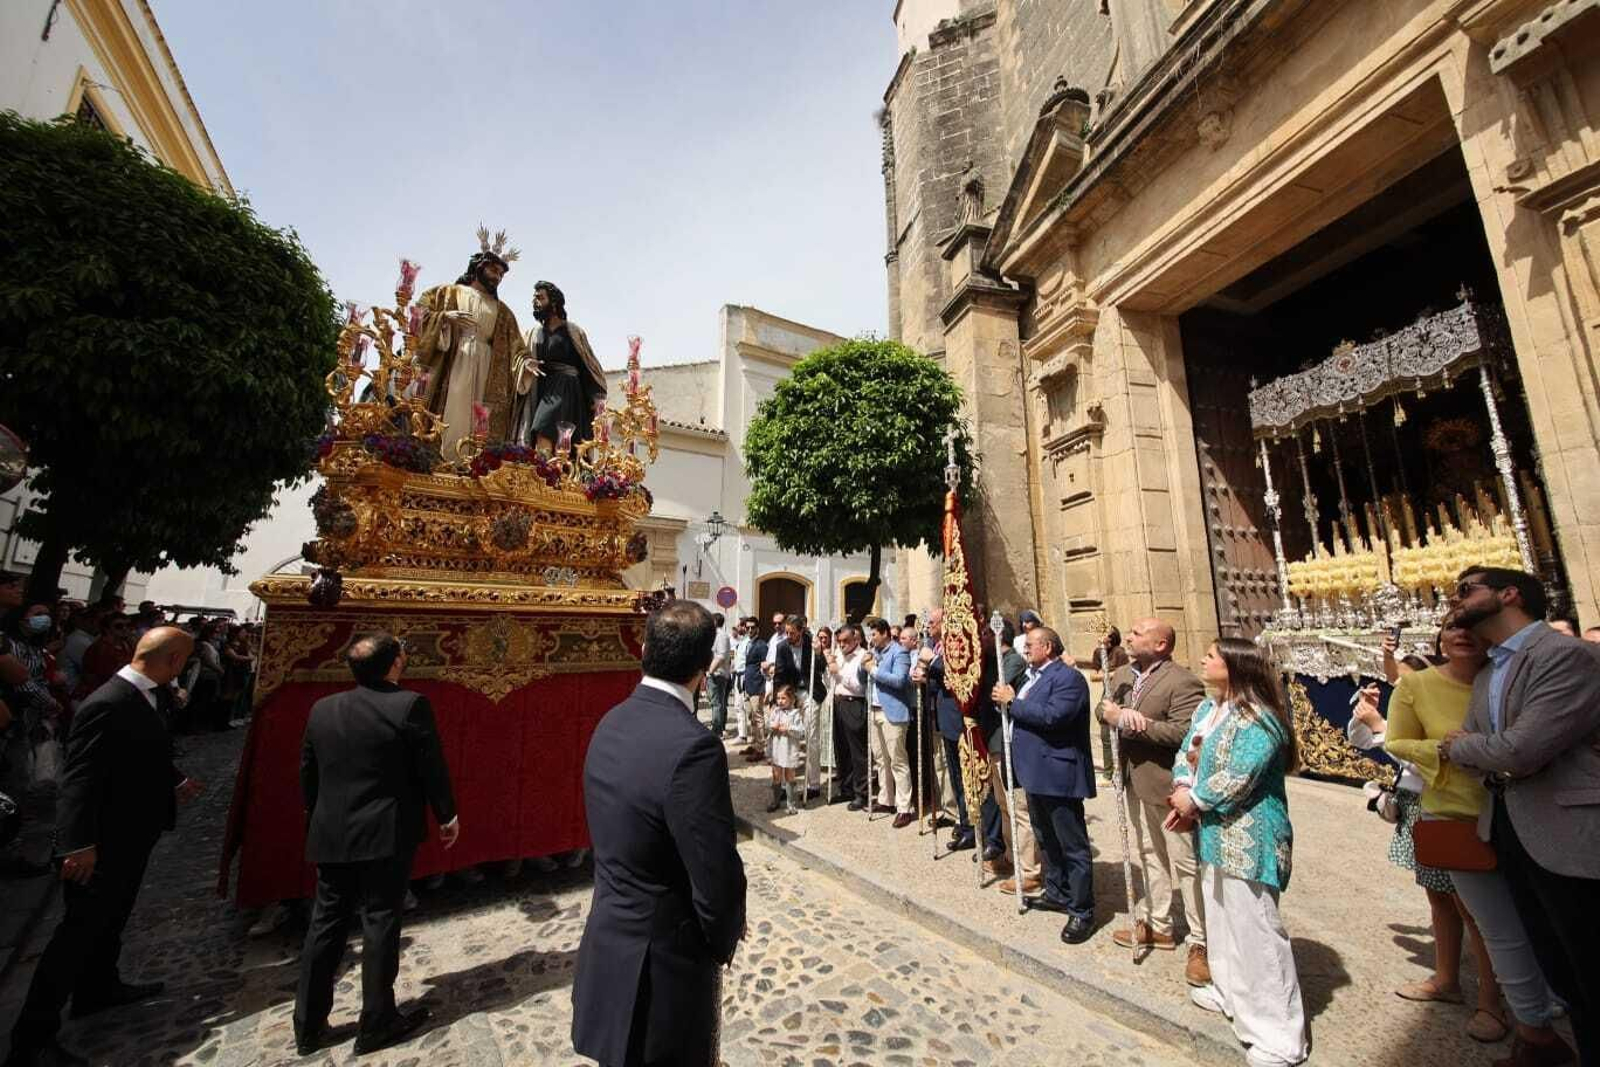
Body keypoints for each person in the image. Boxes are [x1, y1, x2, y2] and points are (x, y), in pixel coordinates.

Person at [7, 628, 203, 1067]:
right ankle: (31, 1040)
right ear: (172, 660)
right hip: (101, 839)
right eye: (182, 660)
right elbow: (78, 780)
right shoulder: (108, 702)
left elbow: (142, 751)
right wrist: (77, 845)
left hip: (132, 830)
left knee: (113, 916)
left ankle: (97, 987)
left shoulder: (145, 697)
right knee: (76, 933)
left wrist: (175, 780)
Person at [572, 601, 747, 1067]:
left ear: (643, 649)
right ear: (705, 667)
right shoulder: (694, 747)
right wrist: (723, 936)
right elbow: (715, 873)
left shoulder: (611, 720)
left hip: (609, 942)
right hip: (660, 969)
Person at [1384, 620, 1567, 1057]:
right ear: (1439, 638)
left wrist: (1480, 748)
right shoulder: (1418, 685)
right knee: (1472, 915)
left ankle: (1531, 1004)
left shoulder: (1509, 677)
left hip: (1528, 810)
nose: (1461, 633)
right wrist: (1447, 751)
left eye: (1470, 626)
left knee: (1527, 916)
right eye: (1450, 627)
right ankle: (1494, 1005)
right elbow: (1398, 741)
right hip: (1454, 811)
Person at [1443, 567, 1600, 1066]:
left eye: (1467, 591)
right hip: (1509, 829)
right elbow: (1469, 747)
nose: (1456, 600)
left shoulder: (1566, 656)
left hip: (1567, 835)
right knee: (1559, 965)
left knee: (1590, 966)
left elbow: (1522, 749)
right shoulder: (1490, 670)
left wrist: (1472, 747)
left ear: (1509, 594)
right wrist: (1474, 748)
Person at [294, 633, 458, 1058]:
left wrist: (319, 816)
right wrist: (446, 814)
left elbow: (308, 772)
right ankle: (376, 1022)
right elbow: (431, 767)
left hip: (331, 831)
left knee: (325, 924)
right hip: (385, 832)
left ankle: (308, 1024)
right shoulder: (408, 705)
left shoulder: (322, 709)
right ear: (395, 664)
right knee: (381, 920)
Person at [1170, 638, 1306, 1067]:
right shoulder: (1208, 709)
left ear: (1235, 667)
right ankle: (1231, 994)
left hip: (1251, 836)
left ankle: (1279, 1034)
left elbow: (1239, 774)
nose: (1204, 660)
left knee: (1257, 931)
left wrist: (1195, 801)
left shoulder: (1260, 720)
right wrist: (1181, 786)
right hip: (1214, 833)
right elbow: (1186, 751)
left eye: (1212, 656)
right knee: (1221, 918)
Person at [1097, 618, 1210, 985]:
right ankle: (1159, 924)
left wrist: (1132, 723)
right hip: (1134, 779)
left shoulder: (1183, 681)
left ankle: (1202, 941)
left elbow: (1183, 732)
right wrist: (1109, 714)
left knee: (1186, 863)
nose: (1129, 637)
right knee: (1149, 854)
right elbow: (1104, 709)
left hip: (1167, 785)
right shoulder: (1123, 676)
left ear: (1161, 644)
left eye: (1137, 633)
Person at [992, 625, 1096, 942]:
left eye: (1032, 645)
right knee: (1046, 837)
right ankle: (1056, 890)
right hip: (1034, 771)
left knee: (1071, 843)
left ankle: (1081, 910)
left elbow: (1054, 716)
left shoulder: (1068, 679)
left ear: (1048, 647)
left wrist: (1012, 702)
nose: (1026, 650)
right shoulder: (1034, 678)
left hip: (1057, 773)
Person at [413, 229, 533, 455]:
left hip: (488, 368)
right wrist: (444, 318)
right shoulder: (448, 293)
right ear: (479, 267)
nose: (497, 276)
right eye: (493, 270)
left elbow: (516, 345)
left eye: (500, 273)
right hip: (455, 359)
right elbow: (420, 312)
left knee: (480, 419)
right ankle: (446, 461)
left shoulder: (503, 311)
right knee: (454, 411)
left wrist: (525, 363)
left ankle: (474, 466)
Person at [513, 280, 608, 453]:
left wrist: (596, 396)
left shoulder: (572, 331)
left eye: (540, 298)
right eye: (534, 298)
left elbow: (589, 365)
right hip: (542, 388)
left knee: (545, 427)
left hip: (567, 388)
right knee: (542, 432)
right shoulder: (534, 333)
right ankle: (546, 473)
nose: (535, 302)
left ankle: (548, 472)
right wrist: (526, 363)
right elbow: (520, 356)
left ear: (554, 302)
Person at [918, 608, 975, 851]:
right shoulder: (936, 644)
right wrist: (923, 678)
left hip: (958, 718)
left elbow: (957, 672)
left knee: (965, 776)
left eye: (931, 622)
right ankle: (963, 821)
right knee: (954, 775)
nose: (928, 626)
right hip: (942, 717)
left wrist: (933, 661)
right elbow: (939, 681)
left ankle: (972, 826)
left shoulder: (954, 644)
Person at [861, 617, 915, 827]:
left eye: (874, 634)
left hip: (892, 712)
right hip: (874, 710)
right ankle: (886, 798)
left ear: (884, 633)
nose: (871, 639)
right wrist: (863, 664)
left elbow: (899, 680)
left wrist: (874, 670)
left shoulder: (899, 652)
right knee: (880, 759)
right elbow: (862, 677)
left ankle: (904, 807)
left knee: (897, 761)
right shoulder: (874, 653)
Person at [771, 615, 819, 799]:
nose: (788, 635)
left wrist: (819, 653)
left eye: (792, 632)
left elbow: (820, 667)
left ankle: (813, 784)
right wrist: (778, 700)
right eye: (787, 632)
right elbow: (779, 674)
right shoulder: (781, 647)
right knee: (787, 739)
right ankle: (784, 786)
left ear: (801, 631)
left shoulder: (812, 643)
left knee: (811, 737)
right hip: (791, 695)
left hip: (810, 692)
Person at [827, 624, 871, 811]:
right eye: (840, 641)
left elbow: (858, 686)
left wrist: (837, 671)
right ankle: (845, 788)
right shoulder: (838, 654)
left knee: (857, 751)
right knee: (841, 748)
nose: (842, 645)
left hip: (854, 702)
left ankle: (861, 792)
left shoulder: (863, 656)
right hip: (838, 702)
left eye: (846, 641)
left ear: (856, 639)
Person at [767, 684, 805, 814]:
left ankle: (791, 803)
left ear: (791, 699)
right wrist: (773, 726)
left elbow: (801, 731)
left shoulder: (795, 714)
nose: (780, 701)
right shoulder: (775, 712)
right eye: (778, 698)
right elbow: (768, 725)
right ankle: (775, 800)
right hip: (777, 749)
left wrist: (788, 729)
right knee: (776, 774)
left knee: (789, 775)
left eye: (783, 698)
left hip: (789, 749)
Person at [739, 624, 770, 763]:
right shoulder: (746, 643)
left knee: (758, 716)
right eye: (748, 627)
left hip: (757, 684)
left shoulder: (761, 645)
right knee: (750, 716)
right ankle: (753, 744)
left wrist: (764, 684)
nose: (750, 630)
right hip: (747, 683)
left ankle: (761, 748)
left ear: (758, 628)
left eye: (753, 627)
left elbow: (765, 666)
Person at [707, 612, 733, 738]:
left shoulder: (721, 636)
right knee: (718, 702)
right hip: (717, 673)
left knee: (717, 703)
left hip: (718, 674)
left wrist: (710, 671)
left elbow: (721, 656)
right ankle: (719, 728)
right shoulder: (716, 635)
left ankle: (717, 730)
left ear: (715, 622)